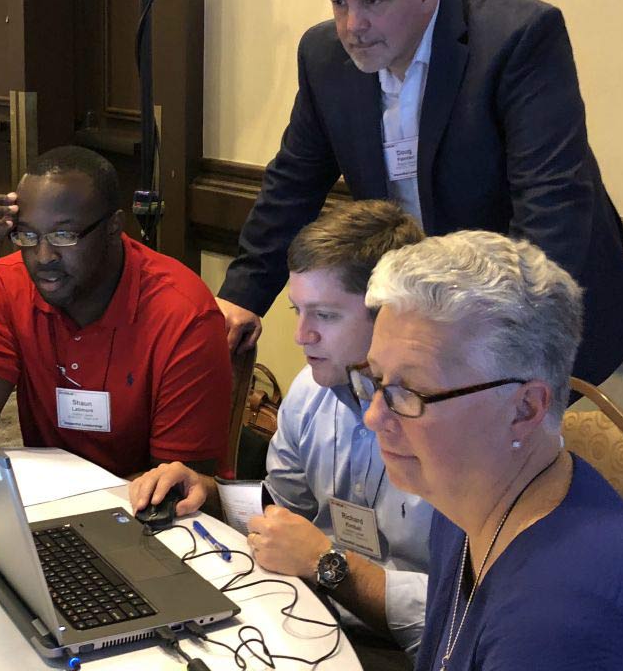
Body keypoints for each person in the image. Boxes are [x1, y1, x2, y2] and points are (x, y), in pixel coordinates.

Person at [215, 0, 623, 388]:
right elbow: (293, 182)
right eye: (338, 2)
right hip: (416, 305)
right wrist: (244, 295)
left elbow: (551, 206)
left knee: (497, 452)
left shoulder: (517, 37)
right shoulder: (323, 56)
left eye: (373, 1)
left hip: (530, 306)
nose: (352, 25)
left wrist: (502, 349)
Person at [361, 231, 623, 670]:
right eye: (376, 379)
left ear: (524, 409)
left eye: (412, 391)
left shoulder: (561, 625)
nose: (374, 416)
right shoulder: (466, 503)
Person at [130, 201, 432, 661]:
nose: (301, 336)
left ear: (390, 314)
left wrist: (329, 567)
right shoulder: (312, 390)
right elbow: (285, 510)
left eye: (325, 316)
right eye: (298, 311)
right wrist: (208, 493)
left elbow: (462, 612)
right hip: (314, 616)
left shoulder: (451, 421)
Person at [0, 146, 231, 478]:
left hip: (151, 519)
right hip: (55, 509)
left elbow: (178, 487)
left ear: (114, 228)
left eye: (63, 236)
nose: (43, 256)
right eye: (27, 235)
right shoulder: (11, 284)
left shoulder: (183, 314)